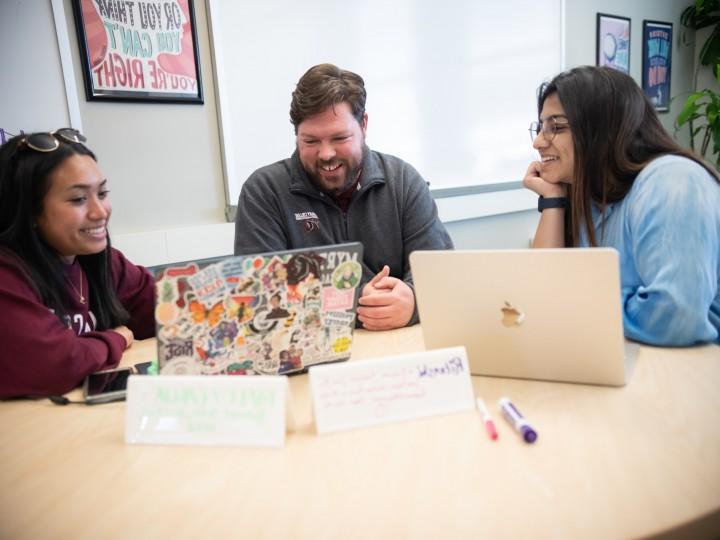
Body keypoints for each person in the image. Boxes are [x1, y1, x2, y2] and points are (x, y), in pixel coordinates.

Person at [234, 63, 454, 331]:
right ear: (296, 136)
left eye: (339, 137)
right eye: (311, 141)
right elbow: (260, 300)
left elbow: (441, 275)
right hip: (311, 359)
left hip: (397, 348)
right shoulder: (264, 192)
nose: (326, 154)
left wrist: (412, 301)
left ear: (364, 125)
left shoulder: (404, 181)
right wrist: (356, 301)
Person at [523, 66, 720, 346]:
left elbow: (676, 317)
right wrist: (553, 202)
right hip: (628, 358)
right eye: (540, 127)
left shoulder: (673, 181)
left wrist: (574, 301)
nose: (538, 142)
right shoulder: (590, 195)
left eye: (555, 127)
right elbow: (542, 293)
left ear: (600, 127)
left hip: (689, 372)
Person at [0, 129, 155, 398]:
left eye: (102, 193)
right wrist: (115, 339)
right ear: (30, 212)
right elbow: (54, 365)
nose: (100, 212)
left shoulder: (103, 262)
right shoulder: (8, 276)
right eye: (79, 199)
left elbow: (171, 314)